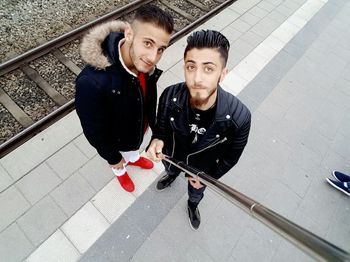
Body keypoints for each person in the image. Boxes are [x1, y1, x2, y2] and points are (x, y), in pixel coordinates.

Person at [147, 30, 251, 230]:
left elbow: (231, 158)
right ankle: (171, 175)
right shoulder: (170, 96)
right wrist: (157, 140)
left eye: (208, 69)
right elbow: (160, 129)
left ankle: (193, 205)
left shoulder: (239, 118)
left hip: (201, 171)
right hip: (172, 157)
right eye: (191, 67)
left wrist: (209, 177)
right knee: (171, 170)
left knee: (196, 192)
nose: (197, 78)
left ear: (223, 74)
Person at [75, 5, 174, 192]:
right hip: (118, 141)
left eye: (161, 49)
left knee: (133, 151)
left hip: (135, 132)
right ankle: (120, 171)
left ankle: (134, 157)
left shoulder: (144, 65)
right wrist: (113, 157)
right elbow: (94, 131)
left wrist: (157, 134)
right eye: (148, 43)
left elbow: (149, 101)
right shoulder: (91, 82)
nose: (153, 57)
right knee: (121, 162)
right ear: (129, 34)